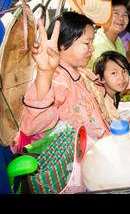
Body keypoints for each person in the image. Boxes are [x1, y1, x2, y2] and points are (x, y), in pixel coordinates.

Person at [19, 12, 110, 143]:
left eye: (92, 43)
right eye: (86, 43)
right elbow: (32, 125)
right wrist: (45, 72)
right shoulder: (57, 78)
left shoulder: (80, 72)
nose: (92, 49)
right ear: (63, 43)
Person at [87, 0, 129, 70]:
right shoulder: (99, 44)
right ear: (103, 16)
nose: (121, 18)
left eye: (125, 15)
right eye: (116, 13)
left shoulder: (117, 40)